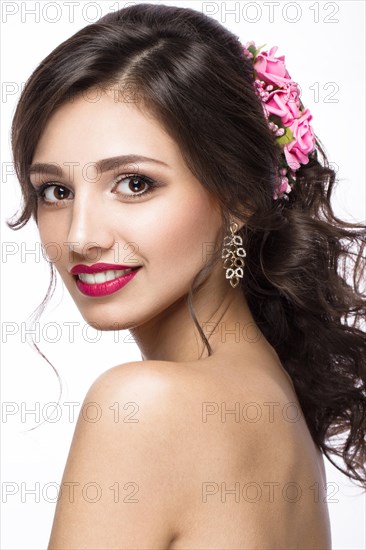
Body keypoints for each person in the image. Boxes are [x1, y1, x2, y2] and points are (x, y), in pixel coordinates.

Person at [8, 3, 365, 548]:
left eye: (134, 183)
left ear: (241, 195)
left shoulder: (145, 407)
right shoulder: (273, 400)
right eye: (56, 191)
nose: (80, 236)